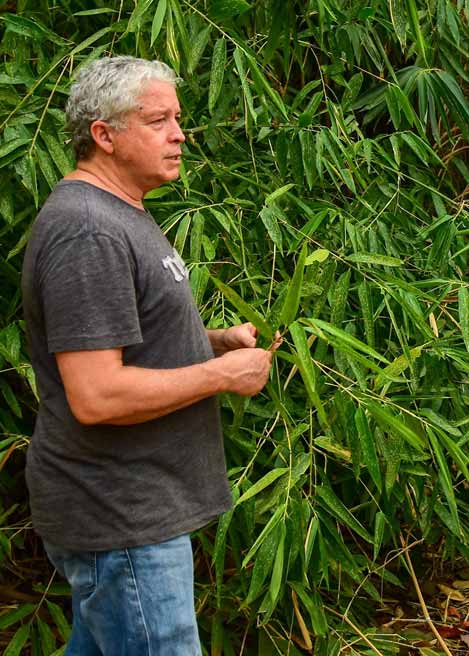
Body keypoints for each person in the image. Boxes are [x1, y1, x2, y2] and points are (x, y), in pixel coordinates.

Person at [21, 56, 279, 654]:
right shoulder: (89, 229)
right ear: (103, 136)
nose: (179, 134)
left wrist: (209, 341)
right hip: (121, 517)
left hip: (130, 515)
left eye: (178, 119)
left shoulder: (118, 214)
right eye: (158, 120)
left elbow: (118, 342)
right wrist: (219, 374)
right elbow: (96, 394)